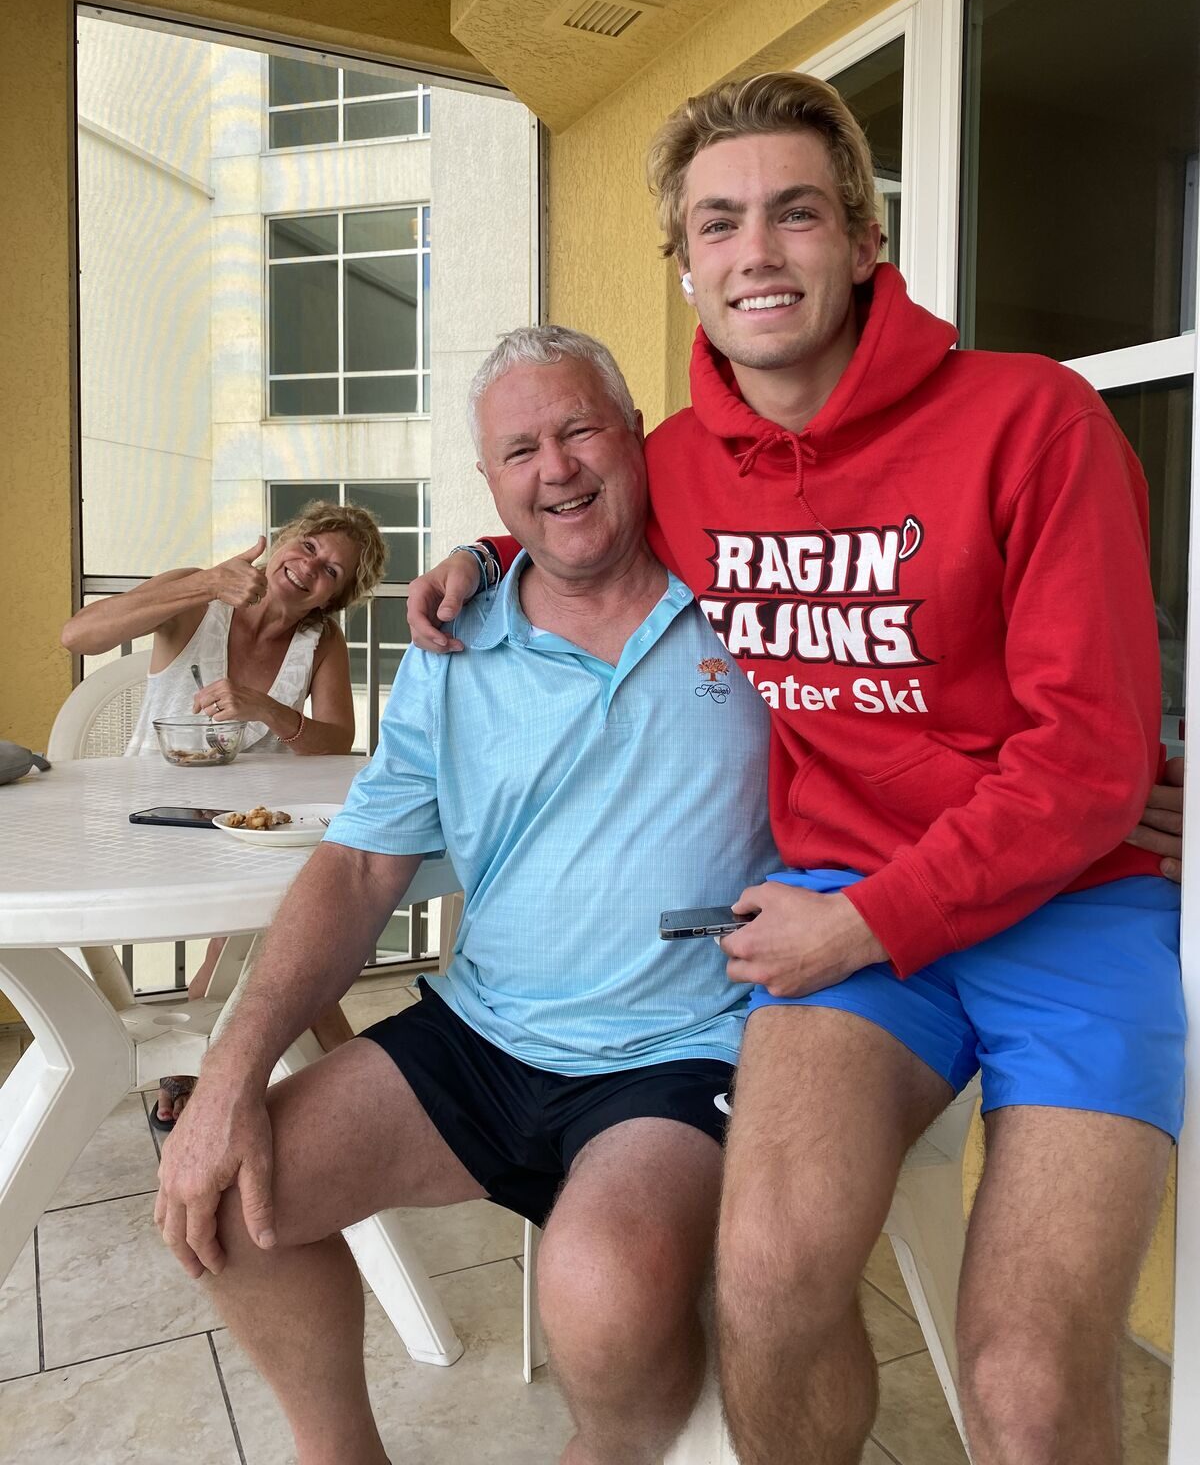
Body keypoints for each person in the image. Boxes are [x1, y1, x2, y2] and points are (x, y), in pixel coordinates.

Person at [409, 74, 1185, 1465]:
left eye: (795, 213)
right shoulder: (677, 465)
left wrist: (862, 920)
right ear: (688, 263)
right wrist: (481, 561)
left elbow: (1089, 761)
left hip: (1070, 905)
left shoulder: (1036, 420)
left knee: (1025, 1382)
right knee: (764, 1281)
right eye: (719, 223)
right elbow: (566, 510)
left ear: (864, 238)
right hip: (859, 917)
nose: (757, 251)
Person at [152, 328, 781, 1465]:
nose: (559, 468)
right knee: (225, 1189)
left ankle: (620, 1446)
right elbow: (355, 867)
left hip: (683, 1045)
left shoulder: (746, 598)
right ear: (489, 483)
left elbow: (911, 699)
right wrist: (232, 1072)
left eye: (582, 428)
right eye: (520, 449)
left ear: (636, 437)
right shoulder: (453, 644)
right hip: (487, 1029)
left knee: (609, 1290)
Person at [62, 500, 387, 1127]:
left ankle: (198, 1072)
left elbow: (336, 738)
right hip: (146, 819)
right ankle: (350, 1086)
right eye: (312, 547)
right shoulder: (198, 597)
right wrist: (207, 581)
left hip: (247, 830)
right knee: (291, 936)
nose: (312, 567)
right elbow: (78, 635)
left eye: (332, 573)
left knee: (286, 923)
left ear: (331, 599)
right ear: (284, 541)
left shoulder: (320, 642)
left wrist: (264, 708)